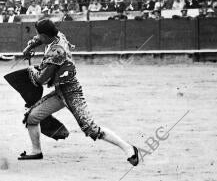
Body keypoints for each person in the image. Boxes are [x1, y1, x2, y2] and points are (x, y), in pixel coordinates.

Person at [18, 18, 139, 167]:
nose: (38, 37)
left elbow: (42, 79)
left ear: (46, 35)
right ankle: (36, 151)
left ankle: (128, 148)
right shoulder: (57, 35)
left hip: (71, 92)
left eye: (40, 35)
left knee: (90, 128)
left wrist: (31, 70)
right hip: (59, 91)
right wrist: (29, 47)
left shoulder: (57, 52)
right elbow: (38, 39)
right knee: (32, 116)